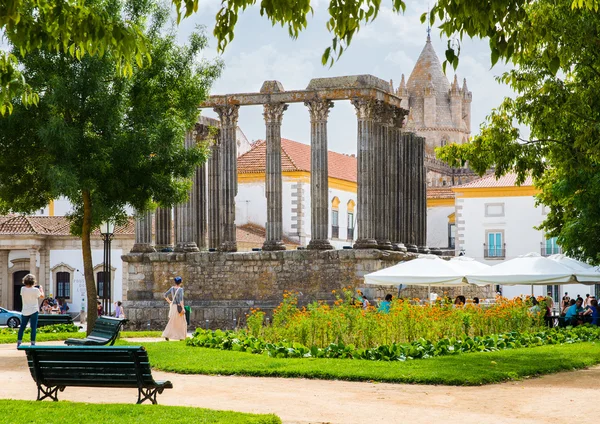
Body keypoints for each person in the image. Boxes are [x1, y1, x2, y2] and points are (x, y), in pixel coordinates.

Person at [17, 274, 44, 348]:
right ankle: (32, 342)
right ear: (33, 281)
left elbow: (28, 290)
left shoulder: (22, 289)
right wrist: (41, 289)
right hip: (34, 310)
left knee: (22, 327)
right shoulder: (36, 290)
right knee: (33, 327)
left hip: (25, 310)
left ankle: (19, 342)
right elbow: (42, 296)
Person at [162, 276, 187, 341]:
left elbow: (165, 295)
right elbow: (181, 300)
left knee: (172, 322)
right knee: (182, 322)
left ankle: (167, 334)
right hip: (178, 307)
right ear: (180, 282)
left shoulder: (172, 288)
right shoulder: (180, 289)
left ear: (175, 282)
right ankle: (181, 336)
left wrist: (169, 301)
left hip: (173, 307)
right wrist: (183, 308)